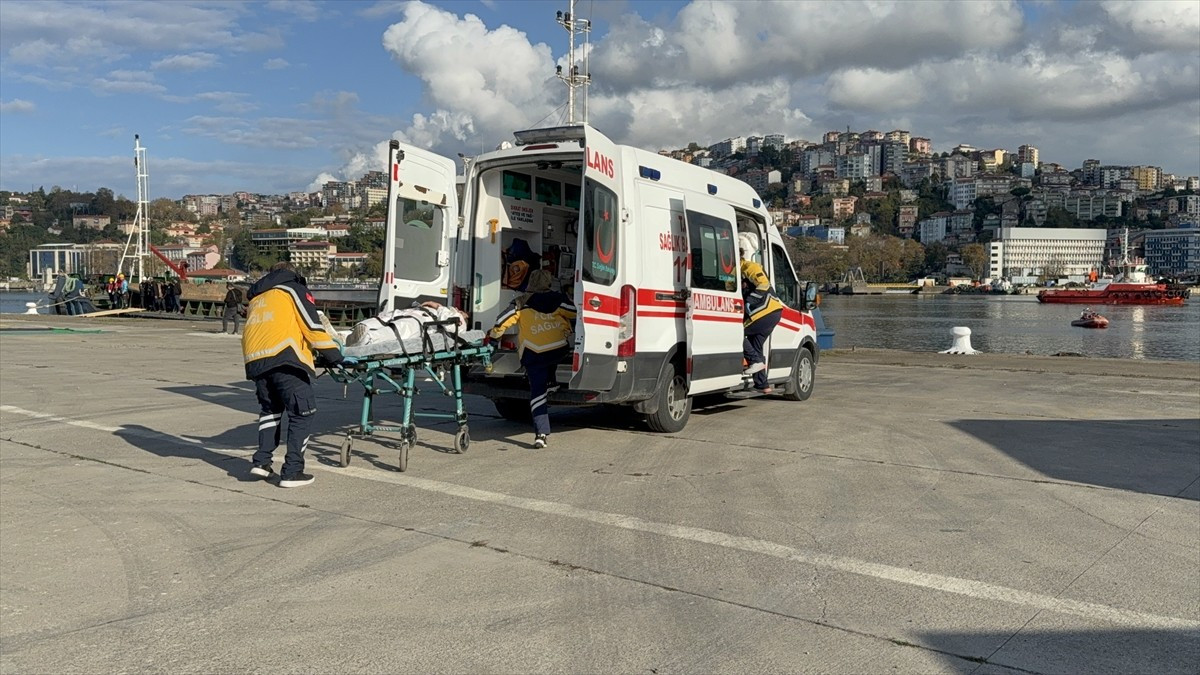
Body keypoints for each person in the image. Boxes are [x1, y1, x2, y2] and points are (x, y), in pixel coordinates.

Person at [241, 262, 345, 487]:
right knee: (302, 413)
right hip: (285, 357)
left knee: (271, 410)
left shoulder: (259, 297)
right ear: (294, 275)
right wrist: (334, 355)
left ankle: (262, 462)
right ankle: (292, 471)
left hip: (256, 361)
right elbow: (311, 325)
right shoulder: (292, 289)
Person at [486, 269, 576, 448]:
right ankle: (552, 381)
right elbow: (576, 312)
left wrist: (493, 336)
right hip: (558, 350)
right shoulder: (559, 299)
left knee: (537, 393)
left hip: (533, 353)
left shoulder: (520, 303)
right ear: (549, 283)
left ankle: (541, 434)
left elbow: (501, 321)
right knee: (553, 357)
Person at [739, 232, 784, 394]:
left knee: (735, 334)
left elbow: (763, 284)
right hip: (771, 314)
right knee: (756, 346)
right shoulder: (740, 269)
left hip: (764, 312)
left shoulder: (749, 267)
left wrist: (749, 301)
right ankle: (763, 385)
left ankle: (755, 361)